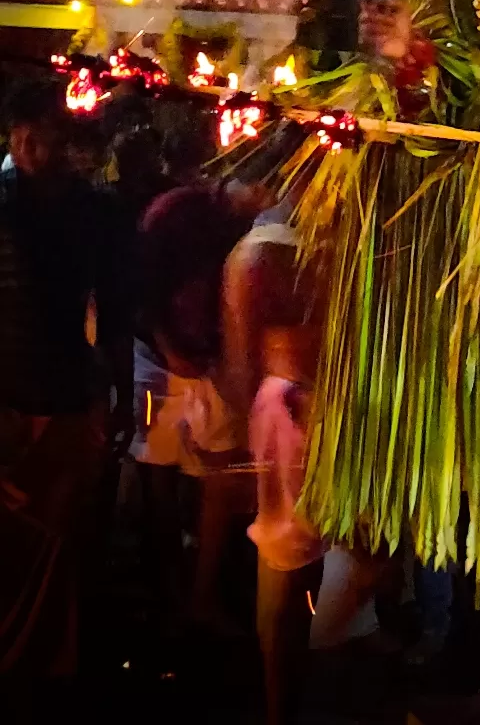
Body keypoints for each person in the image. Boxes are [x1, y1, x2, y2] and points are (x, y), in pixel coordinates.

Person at [0, 80, 133, 677]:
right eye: (26, 138)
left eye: (49, 139)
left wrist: (120, 396)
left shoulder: (93, 211)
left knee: (62, 541)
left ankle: (54, 669)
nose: (35, 150)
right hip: (8, 403)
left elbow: (114, 309)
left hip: (69, 397)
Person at [129, 170, 269, 637]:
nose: (269, 201)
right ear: (248, 181)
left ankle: (201, 588)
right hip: (161, 352)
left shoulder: (247, 227)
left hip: (208, 354)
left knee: (215, 473)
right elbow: (143, 288)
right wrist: (171, 349)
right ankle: (170, 581)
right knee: (165, 464)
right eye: (266, 190)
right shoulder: (179, 213)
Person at [221, 173, 325, 725]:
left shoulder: (336, 238)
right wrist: (243, 448)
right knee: (285, 556)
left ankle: (292, 687)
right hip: (290, 414)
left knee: (302, 561)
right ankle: (278, 700)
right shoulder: (262, 253)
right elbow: (242, 356)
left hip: (324, 410)